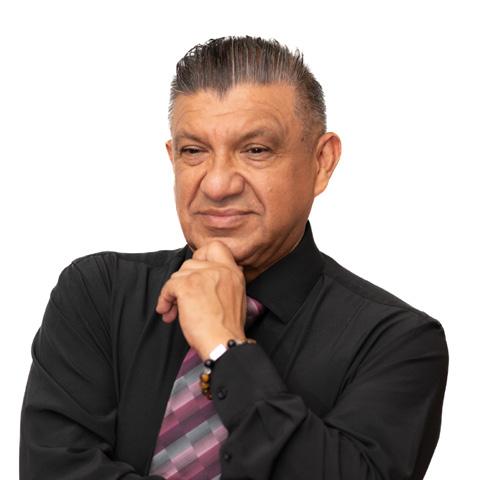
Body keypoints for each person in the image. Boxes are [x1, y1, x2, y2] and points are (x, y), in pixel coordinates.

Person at [19, 35, 449, 480]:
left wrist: (225, 349)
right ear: (172, 158)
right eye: (194, 151)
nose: (218, 184)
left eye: (255, 150)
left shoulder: (397, 344)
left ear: (322, 162)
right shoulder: (99, 296)